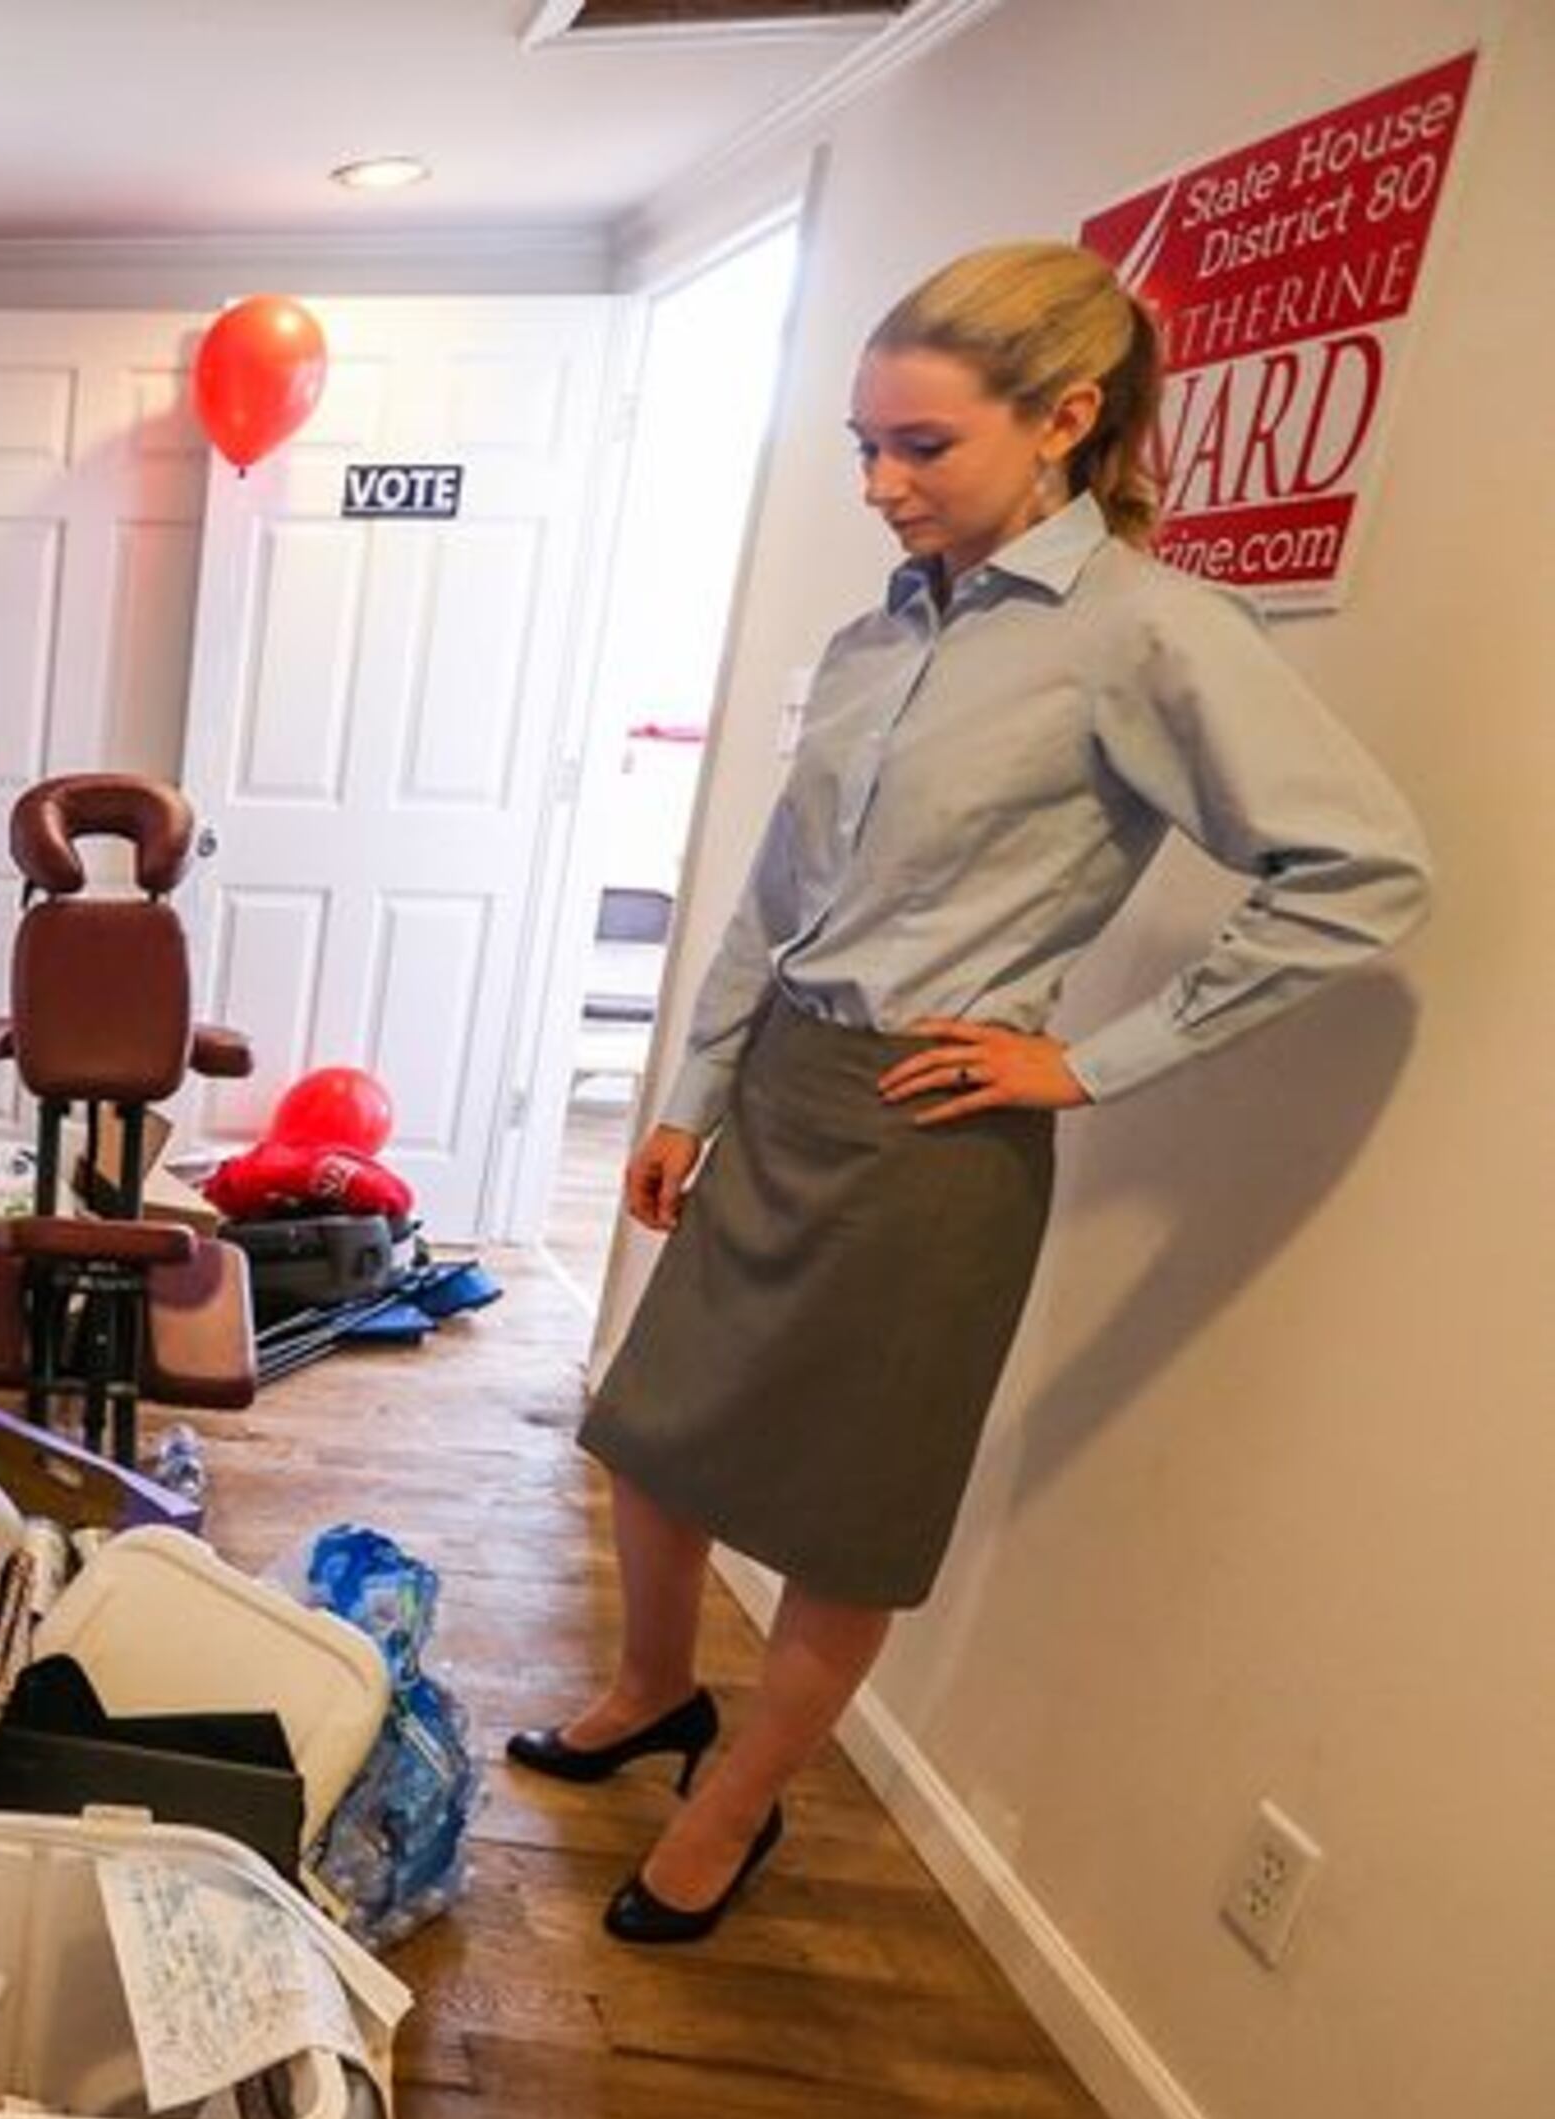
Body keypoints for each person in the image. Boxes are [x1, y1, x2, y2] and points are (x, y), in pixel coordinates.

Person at [505, 241, 1430, 1945]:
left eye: (920, 447)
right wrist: (692, 1090)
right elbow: (784, 893)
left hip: (935, 1132)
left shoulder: (1148, 635)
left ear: (1067, 420)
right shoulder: (878, 639)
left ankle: (731, 1811)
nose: (878, 484)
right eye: (865, 443)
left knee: (847, 1511)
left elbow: (1359, 869)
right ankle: (653, 1689)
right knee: (650, 1432)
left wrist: (1092, 1059)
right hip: (783, 1086)